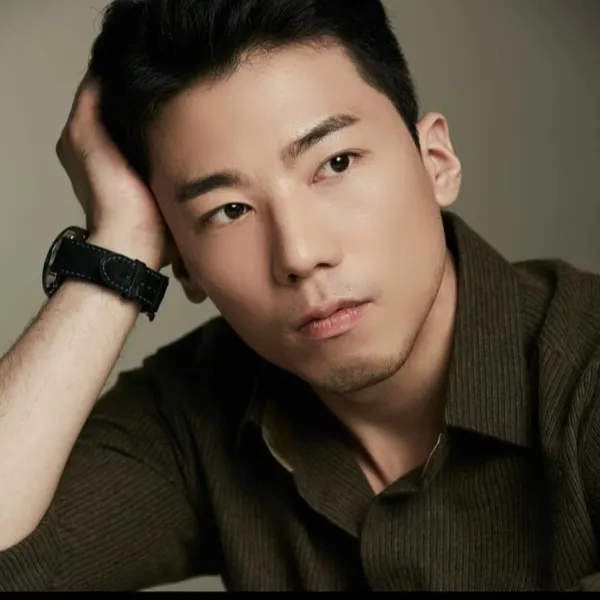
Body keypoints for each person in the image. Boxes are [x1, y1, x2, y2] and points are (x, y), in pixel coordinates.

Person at [0, 0, 599, 592]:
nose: (299, 254)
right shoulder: (197, 411)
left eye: (335, 163)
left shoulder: (583, 374)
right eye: (229, 210)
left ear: (436, 161)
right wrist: (119, 247)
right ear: (183, 265)